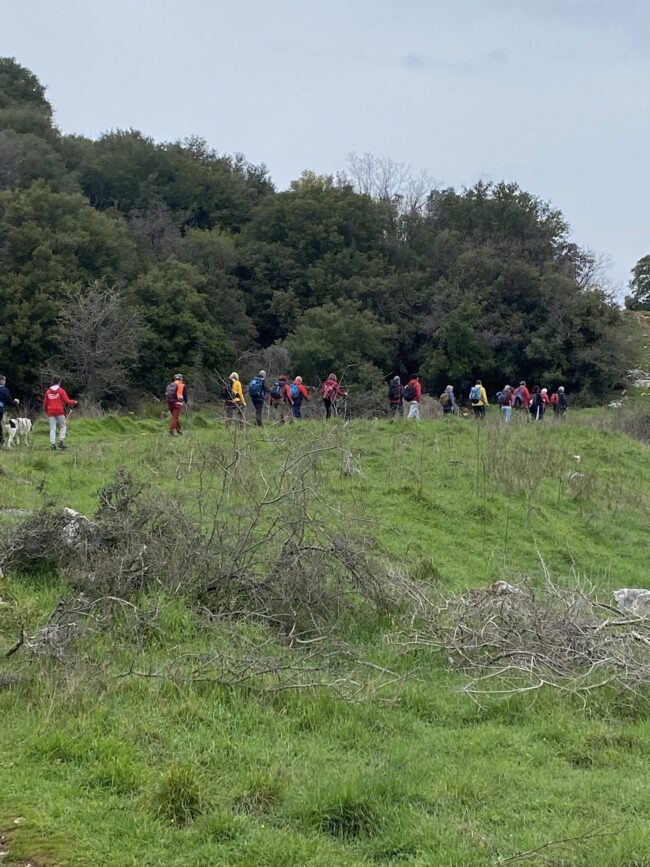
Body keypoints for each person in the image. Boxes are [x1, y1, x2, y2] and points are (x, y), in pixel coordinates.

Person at [43, 377, 77, 450]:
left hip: (50, 412)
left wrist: (47, 411)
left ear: (52, 381)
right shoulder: (61, 391)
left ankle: (53, 444)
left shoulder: (48, 391)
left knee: (52, 428)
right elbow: (67, 401)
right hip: (59, 411)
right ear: (59, 382)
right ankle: (61, 441)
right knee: (63, 426)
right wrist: (74, 402)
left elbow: (45, 404)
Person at [0, 375, 20, 448]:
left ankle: (1, 440)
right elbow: (10, 402)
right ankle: (1, 441)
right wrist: (15, 402)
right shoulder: (4, 390)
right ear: (2, 381)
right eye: (4, 380)